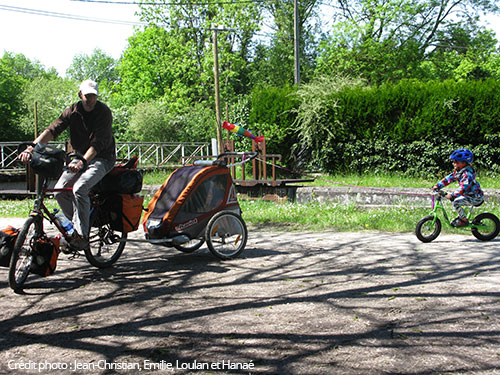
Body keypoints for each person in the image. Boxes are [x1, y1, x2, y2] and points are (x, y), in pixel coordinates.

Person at [18, 80, 116, 249]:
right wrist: (32, 148)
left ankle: (82, 236)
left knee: (80, 188)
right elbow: (53, 130)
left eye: (94, 96)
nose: (91, 99)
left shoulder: (103, 112)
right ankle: (77, 226)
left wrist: (83, 161)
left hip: (102, 158)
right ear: (80, 95)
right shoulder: (73, 111)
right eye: (87, 96)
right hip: (80, 158)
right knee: (60, 191)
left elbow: (98, 143)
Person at [432, 148, 484, 227]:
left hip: (475, 197)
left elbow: (464, 187)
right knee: (454, 200)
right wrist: (438, 185)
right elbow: (449, 179)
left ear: (464, 162)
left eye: (456, 162)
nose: (453, 163)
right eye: (453, 162)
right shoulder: (459, 171)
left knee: (456, 201)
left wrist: (452, 195)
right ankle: (462, 218)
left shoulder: (467, 174)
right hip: (468, 195)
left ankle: (463, 220)